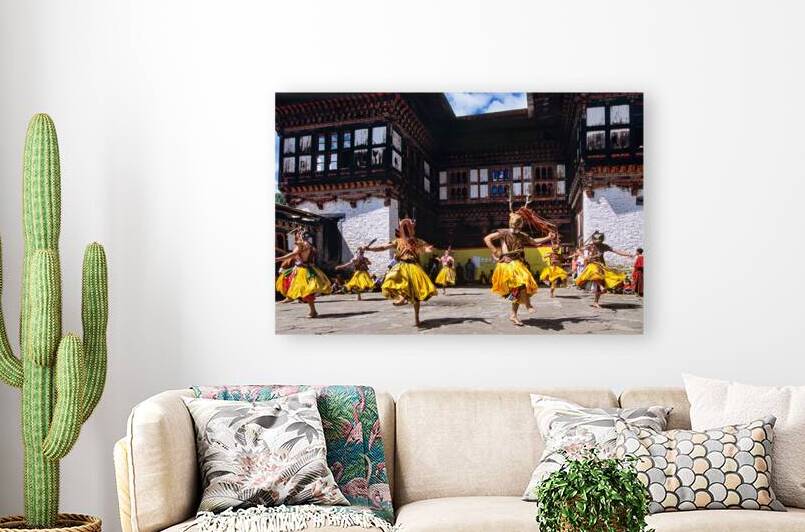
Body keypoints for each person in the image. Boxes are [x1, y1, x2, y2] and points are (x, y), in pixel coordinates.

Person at [483, 199, 556, 326]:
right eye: (513, 227)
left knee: (516, 292)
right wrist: (494, 250)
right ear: (511, 225)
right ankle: (527, 305)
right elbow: (487, 238)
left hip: (518, 263)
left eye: (517, 227)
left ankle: (513, 315)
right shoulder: (504, 232)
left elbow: (533, 241)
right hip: (507, 265)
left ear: (520, 226)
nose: (515, 229)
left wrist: (548, 238)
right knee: (523, 282)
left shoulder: (521, 235)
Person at [364, 218, 437, 327]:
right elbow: (383, 247)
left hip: (414, 267)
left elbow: (426, 249)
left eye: (408, 227)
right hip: (402, 265)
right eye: (404, 227)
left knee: (416, 296)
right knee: (390, 279)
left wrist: (428, 249)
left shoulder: (417, 241)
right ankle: (401, 298)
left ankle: (416, 318)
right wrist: (369, 249)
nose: (407, 229)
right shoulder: (398, 241)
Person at [274, 230, 332, 318]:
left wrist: (278, 259)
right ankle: (291, 298)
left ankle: (313, 311)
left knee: (305, 290)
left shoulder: (302, 245)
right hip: (307, 268)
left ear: (301, 235)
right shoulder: (309, 245)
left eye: (297, 234)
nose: (296, 236)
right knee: (290, 281)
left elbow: (292, 255)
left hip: (303, 270)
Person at [575, 231, 634, 308]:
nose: (597, 242)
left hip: (601, 265)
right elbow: (578, 250)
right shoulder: (590, 246)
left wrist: (628, 254)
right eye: (596, 240)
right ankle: (600, 287)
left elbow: (616, 251)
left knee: (601, 283)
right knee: (594, 272)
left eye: (599, 241)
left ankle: (596, 302)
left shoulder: (604, 246)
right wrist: (584, 257)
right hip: (592, 264)